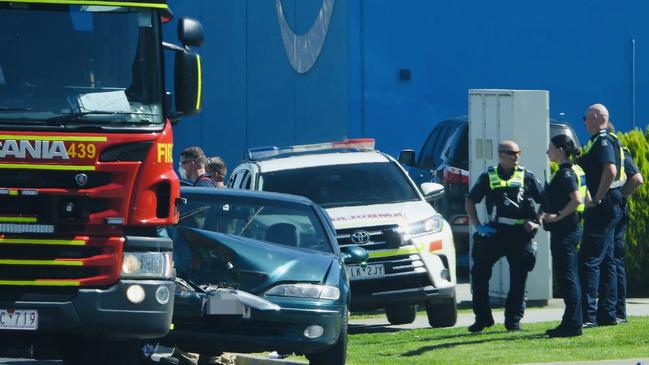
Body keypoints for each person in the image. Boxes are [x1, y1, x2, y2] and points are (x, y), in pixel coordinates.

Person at [465, 140, 543, 332]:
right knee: (479, 273)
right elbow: (470, 200)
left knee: (518, 278)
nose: (516, 156)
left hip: (520, 233)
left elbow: (545, 201)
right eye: (511, 153)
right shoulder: (488, 176)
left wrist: (536, 221)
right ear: (501, 155)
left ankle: (513, 321)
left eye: (518, 152)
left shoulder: (527, 177)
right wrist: (478, 226)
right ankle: (483, 318)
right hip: (495, 232)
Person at [578, 104, 626, 328]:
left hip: (604, 204)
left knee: (590, 259)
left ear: (597, 117)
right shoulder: (605, 140)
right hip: (612, 202)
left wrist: (597, 198)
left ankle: (588, 315)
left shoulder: (604, 140)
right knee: (607, 259)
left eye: (586, 117)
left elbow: (611, 171)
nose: (584, 122)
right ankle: (608, 313)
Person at [541, 135, 588, 337]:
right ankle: (571, 321)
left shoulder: (566, 173)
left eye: (550, 147)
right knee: (570, 277)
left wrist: (558, 216)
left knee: (567, 278)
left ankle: (573, 325)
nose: (547, 151)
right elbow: (589, 199)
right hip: (573, 229)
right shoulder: (577, 170)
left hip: (565, 232)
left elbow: (577, 199)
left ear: (560, 149)